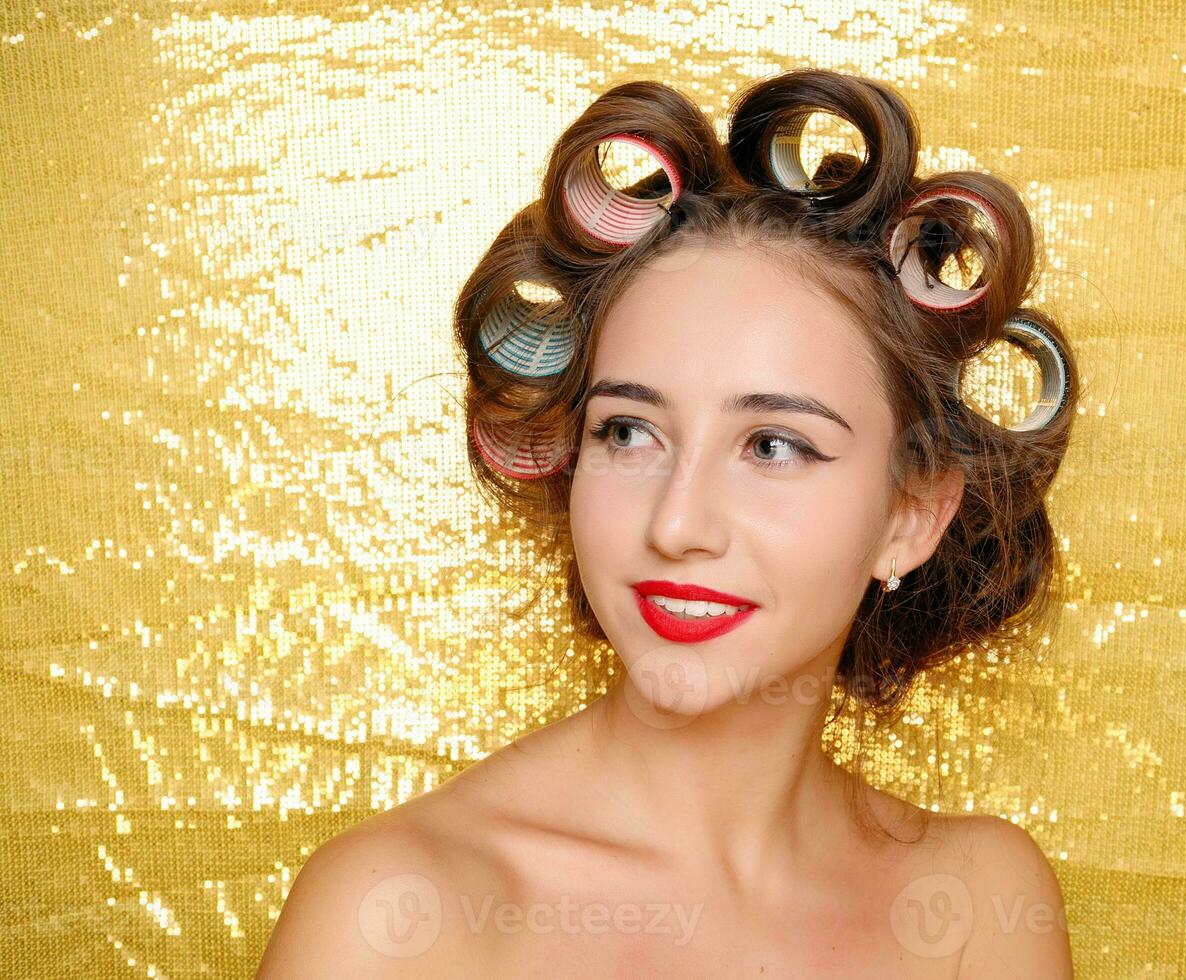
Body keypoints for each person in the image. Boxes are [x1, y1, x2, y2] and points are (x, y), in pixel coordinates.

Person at [258, 67, 1078, 977]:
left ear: (911, 515)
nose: (677, 523)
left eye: (773, 445)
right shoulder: (396, 918)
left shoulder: (977, 910)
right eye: (629, 432)